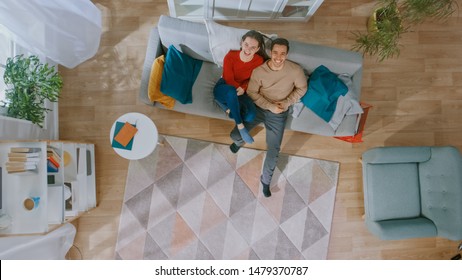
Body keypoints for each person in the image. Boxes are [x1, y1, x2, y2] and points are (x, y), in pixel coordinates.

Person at [229, 38, 307, 197]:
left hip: (279, 112)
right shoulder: (259, 71)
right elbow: (252, 92)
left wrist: (286, 103)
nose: (279, 57)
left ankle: (265, 181)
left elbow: (302, 88)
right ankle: (239, 142)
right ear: (270, 52)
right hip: (259, 106)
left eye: (283, 54)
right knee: (235, 135)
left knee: (274, 150)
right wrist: (269, 106)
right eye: (275, 53)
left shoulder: (295, 70)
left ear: (287, 54)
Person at [213, 30, 267, 144]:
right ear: (242, 43)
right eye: (246, 44)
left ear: (257, 49)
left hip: (241, 91)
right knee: (231, 92)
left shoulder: (259, 61)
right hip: (224, 87)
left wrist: (244, 87)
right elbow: (228, 80)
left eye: (253, 47)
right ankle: (240, 125)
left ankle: (226, 106)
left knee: (251, 116)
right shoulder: (230, 56)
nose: (248, 49)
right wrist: (239, 89)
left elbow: (253, 79)